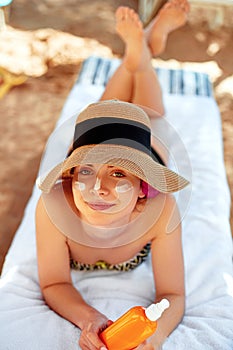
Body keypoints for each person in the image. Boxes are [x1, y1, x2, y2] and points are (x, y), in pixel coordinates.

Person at [36, 1, 190, 349]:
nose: (97, 188)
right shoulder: (55, 206)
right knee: (115, 111)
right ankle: (142, 48)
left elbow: (173, 294)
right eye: (86, 171)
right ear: (73, 171)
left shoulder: (161, 210)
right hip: (97, 139)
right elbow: (53, 284)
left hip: (147, 148)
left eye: (118, 174)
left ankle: (143, 47)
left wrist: (156, 335)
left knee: (151, 117)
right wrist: (91, 320)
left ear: (141, 188)